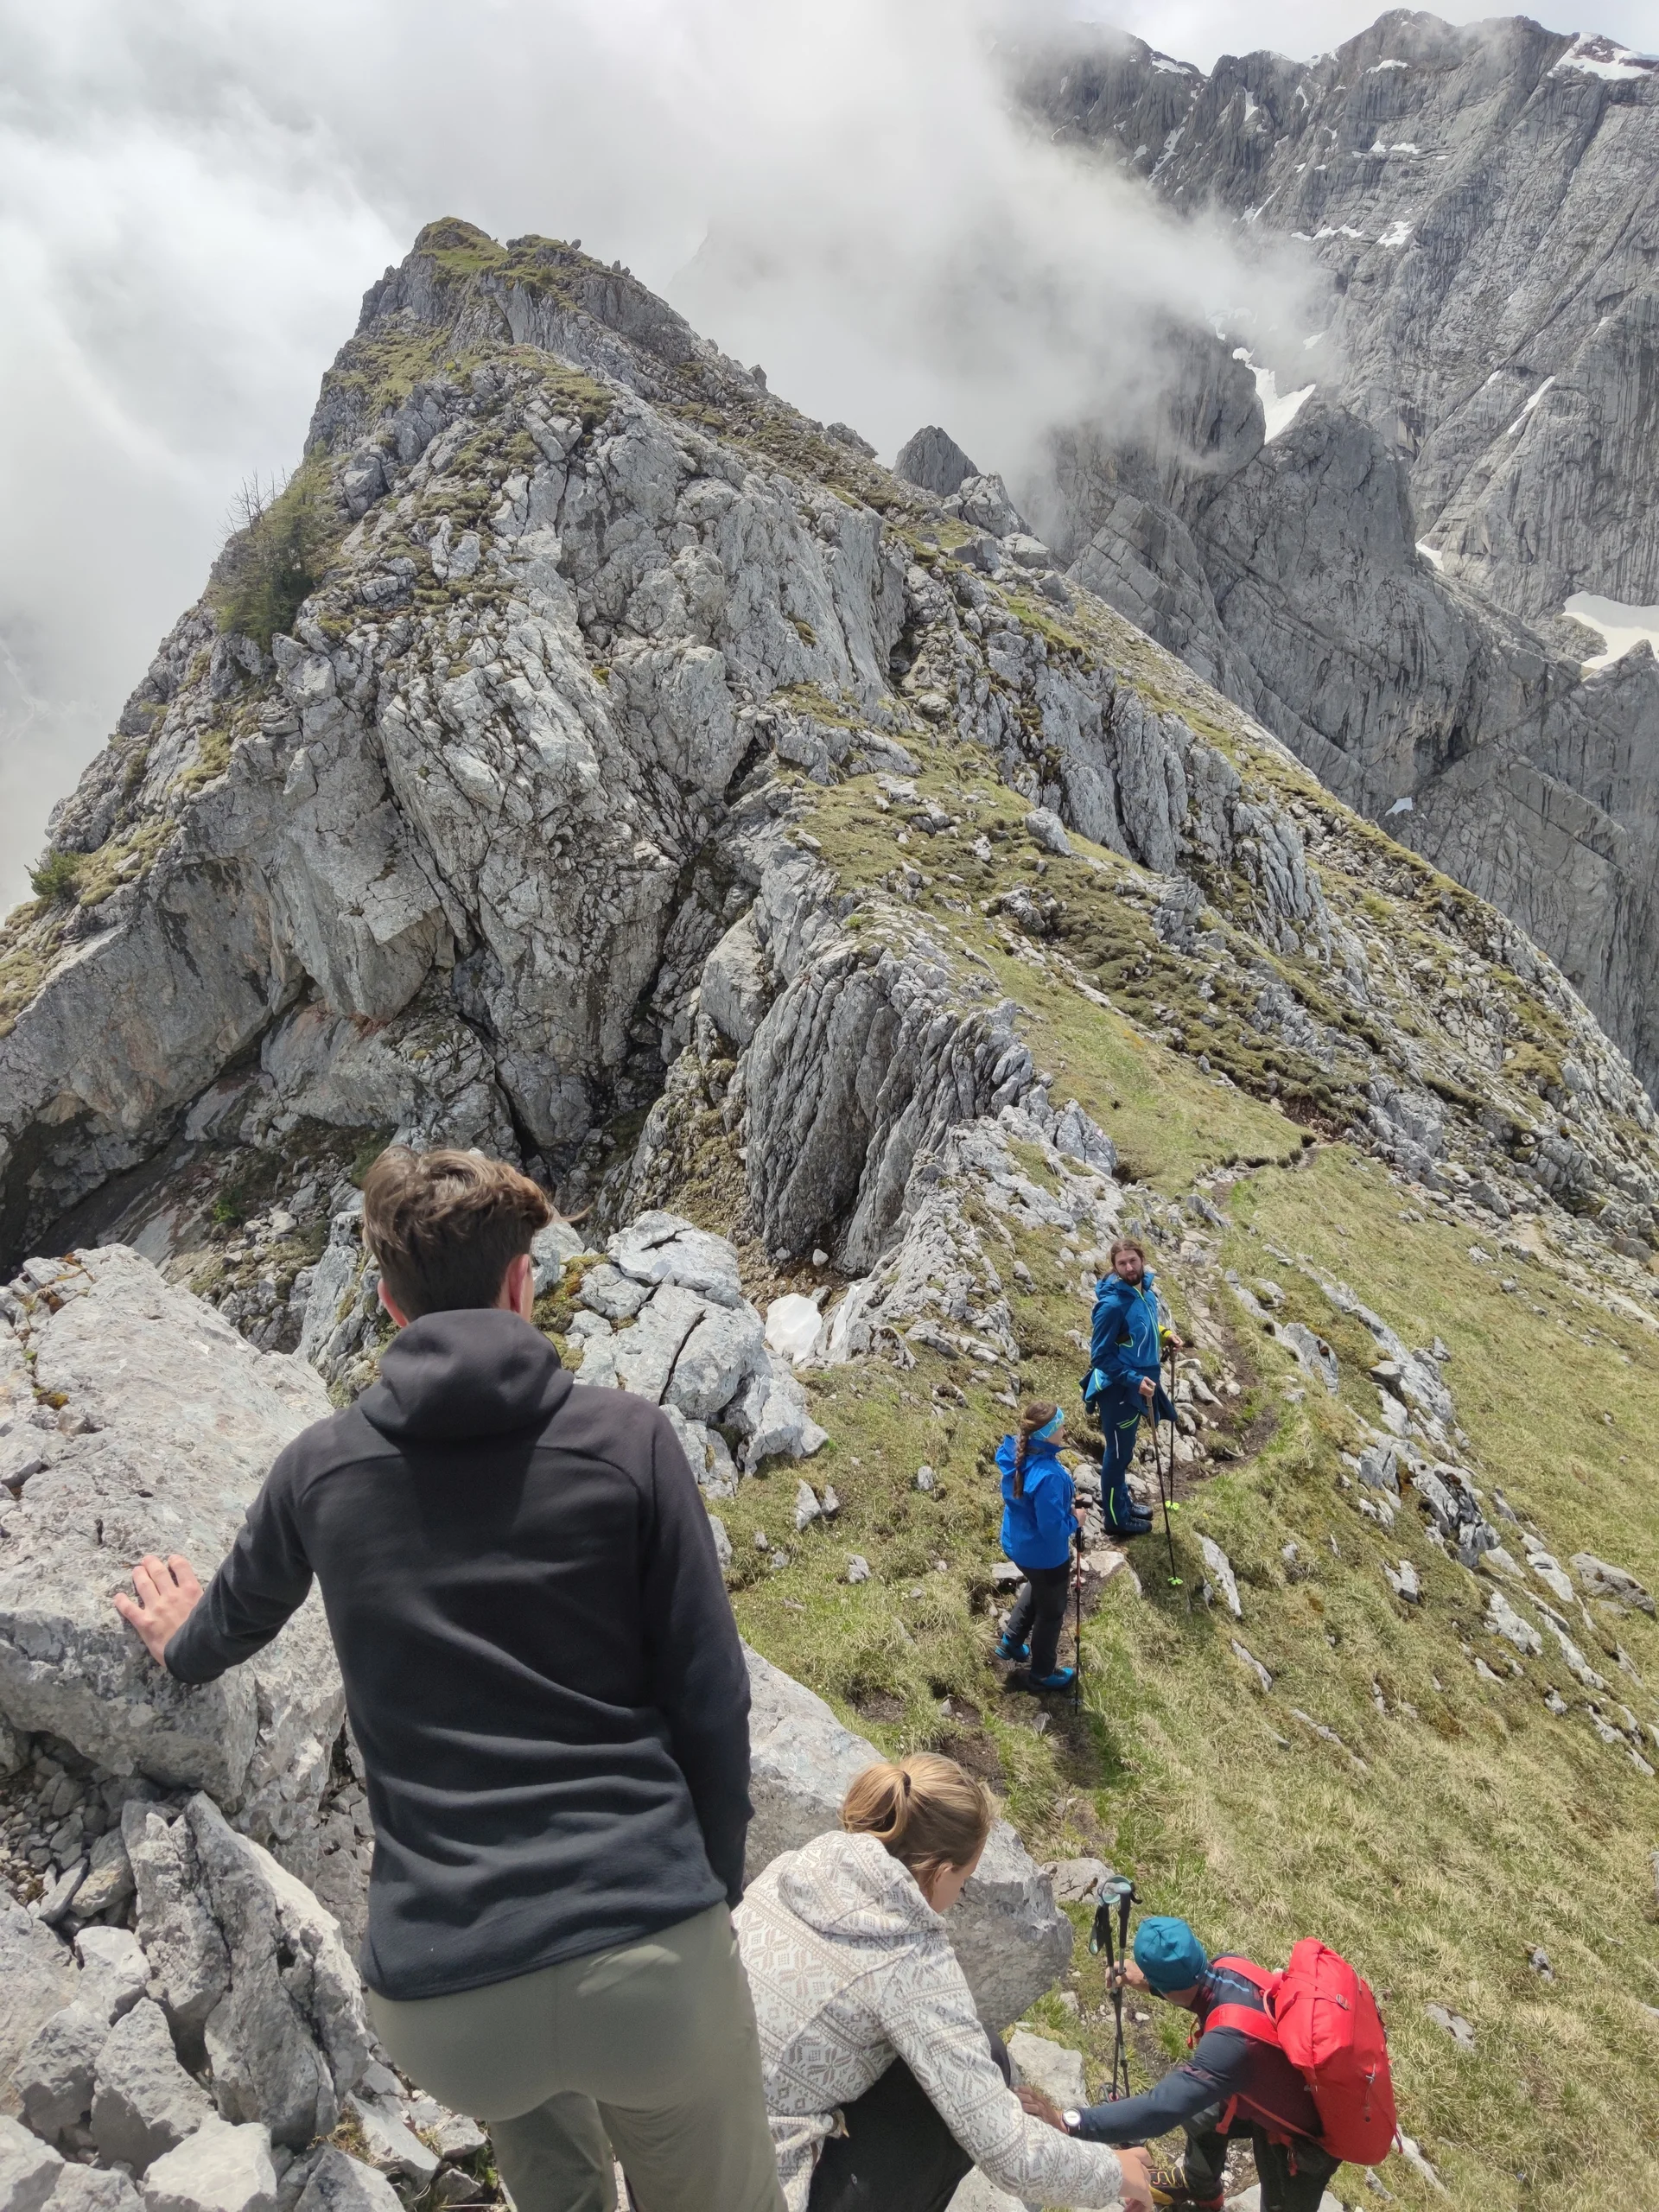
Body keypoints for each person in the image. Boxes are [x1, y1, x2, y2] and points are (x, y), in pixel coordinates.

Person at [111, 1147, 783, 2212]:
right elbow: (713, 1697)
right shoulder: (630, 1443)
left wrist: (177, 1635)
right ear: (522, 1282)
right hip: (648, 1954)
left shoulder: (319, 1471)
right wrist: (703, 1899)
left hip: (448, 1999)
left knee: (549, 2160)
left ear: (387, 1302)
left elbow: (224, 1628)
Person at [736, 1753, 1152, 2212]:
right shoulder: (908, 1956)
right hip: (744, 2183)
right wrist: (1118, 2174)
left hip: (664, 2136)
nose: (956, 1899)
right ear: (937, 1872)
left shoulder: (792, 1869)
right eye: (964, 1882)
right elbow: (1011, 2156)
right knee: (983, 2062)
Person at [1063, 1918, 1341, 2212]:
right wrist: (1146, 1980)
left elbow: (1160, 2109)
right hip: (1274, 2091)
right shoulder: (1229, 1966)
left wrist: (1074, 2123)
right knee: (1202, 2114)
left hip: (1306, 2135)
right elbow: (1194, 1991)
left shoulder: (1227, 2046)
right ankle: (1201, 2190)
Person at [1083, 1238, 1182, 1539]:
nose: (1128, 1267)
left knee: (1124, 1451)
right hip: (1118, 1390)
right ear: (1114, 1267)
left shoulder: (1145, 1293)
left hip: (1139, 1385)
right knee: (1117, 1454)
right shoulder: (1112, 1306)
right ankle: (1116, 1519)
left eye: (1133, 1261)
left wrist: (1165, 1335)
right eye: (1122, 1263)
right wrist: (1134, 1380)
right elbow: (1099, 1356)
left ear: (1142, 1260)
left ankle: (1123, 1504)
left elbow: (1144, 1328)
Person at [993, 1401, 1081, 1693]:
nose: (1065, 1430)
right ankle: (1042, 1673)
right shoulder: (1049, 1476)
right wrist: (1076, 1520)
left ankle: (1012, 1640)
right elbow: (1052, 1529)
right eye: (1061, 1427)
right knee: (1052, 1611)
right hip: (1046, 1556)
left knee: (1037, 1585)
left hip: (1018, 1546)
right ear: (1047, 1435)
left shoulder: (1014, 1454)